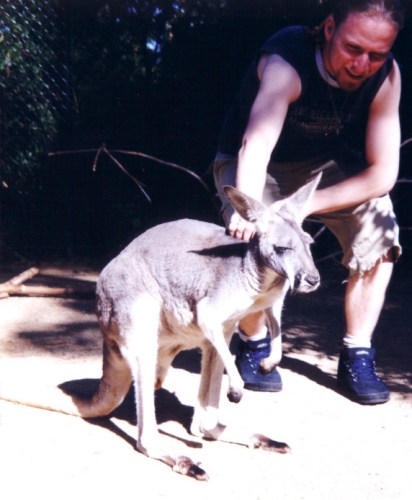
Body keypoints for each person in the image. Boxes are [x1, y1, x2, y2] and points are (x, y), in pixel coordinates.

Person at [213, 0, 405, 404]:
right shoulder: (289, 59)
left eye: (377, 54)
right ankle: (254, 341)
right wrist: (255, 213)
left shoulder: (386, 78)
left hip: (316, 169)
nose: (362, 64)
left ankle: (357, 352)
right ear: (330, 28)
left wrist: (304, 205)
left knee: (381, 225)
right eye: (353, 49)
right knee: (258, 238)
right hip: (250, 164)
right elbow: (256, 143)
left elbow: (383, 173)